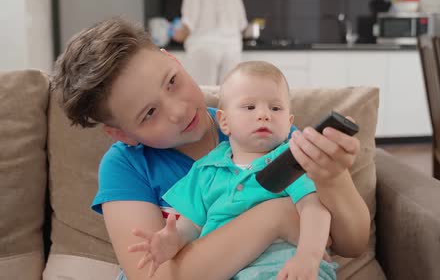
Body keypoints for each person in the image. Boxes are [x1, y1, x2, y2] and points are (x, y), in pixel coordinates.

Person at [52, 17, 370, 280]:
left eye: (172, 81)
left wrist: (333, 177)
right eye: (149, 114)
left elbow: (353, 243)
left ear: (174, 59)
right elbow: (155, 276)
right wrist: (276, 217)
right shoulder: (125, 166)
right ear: (121, 133)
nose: (177, 111)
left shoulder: (261, 128)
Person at [128, 61, 337, 279]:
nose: (264, 115)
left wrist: (307, 258)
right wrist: (171, 240)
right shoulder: (205, 170)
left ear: (289, 123)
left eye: (275, 108)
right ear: (224, 121)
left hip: (287, 268)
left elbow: (314, 210)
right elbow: (190, 226)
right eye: (250, 107)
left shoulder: (290, 161)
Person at [172, 0, 247, 85]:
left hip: (204, 48)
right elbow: (242, 26)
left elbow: (189, 23)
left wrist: (178, 35)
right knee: (229, 96)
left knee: (204, 96)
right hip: (232, 49)